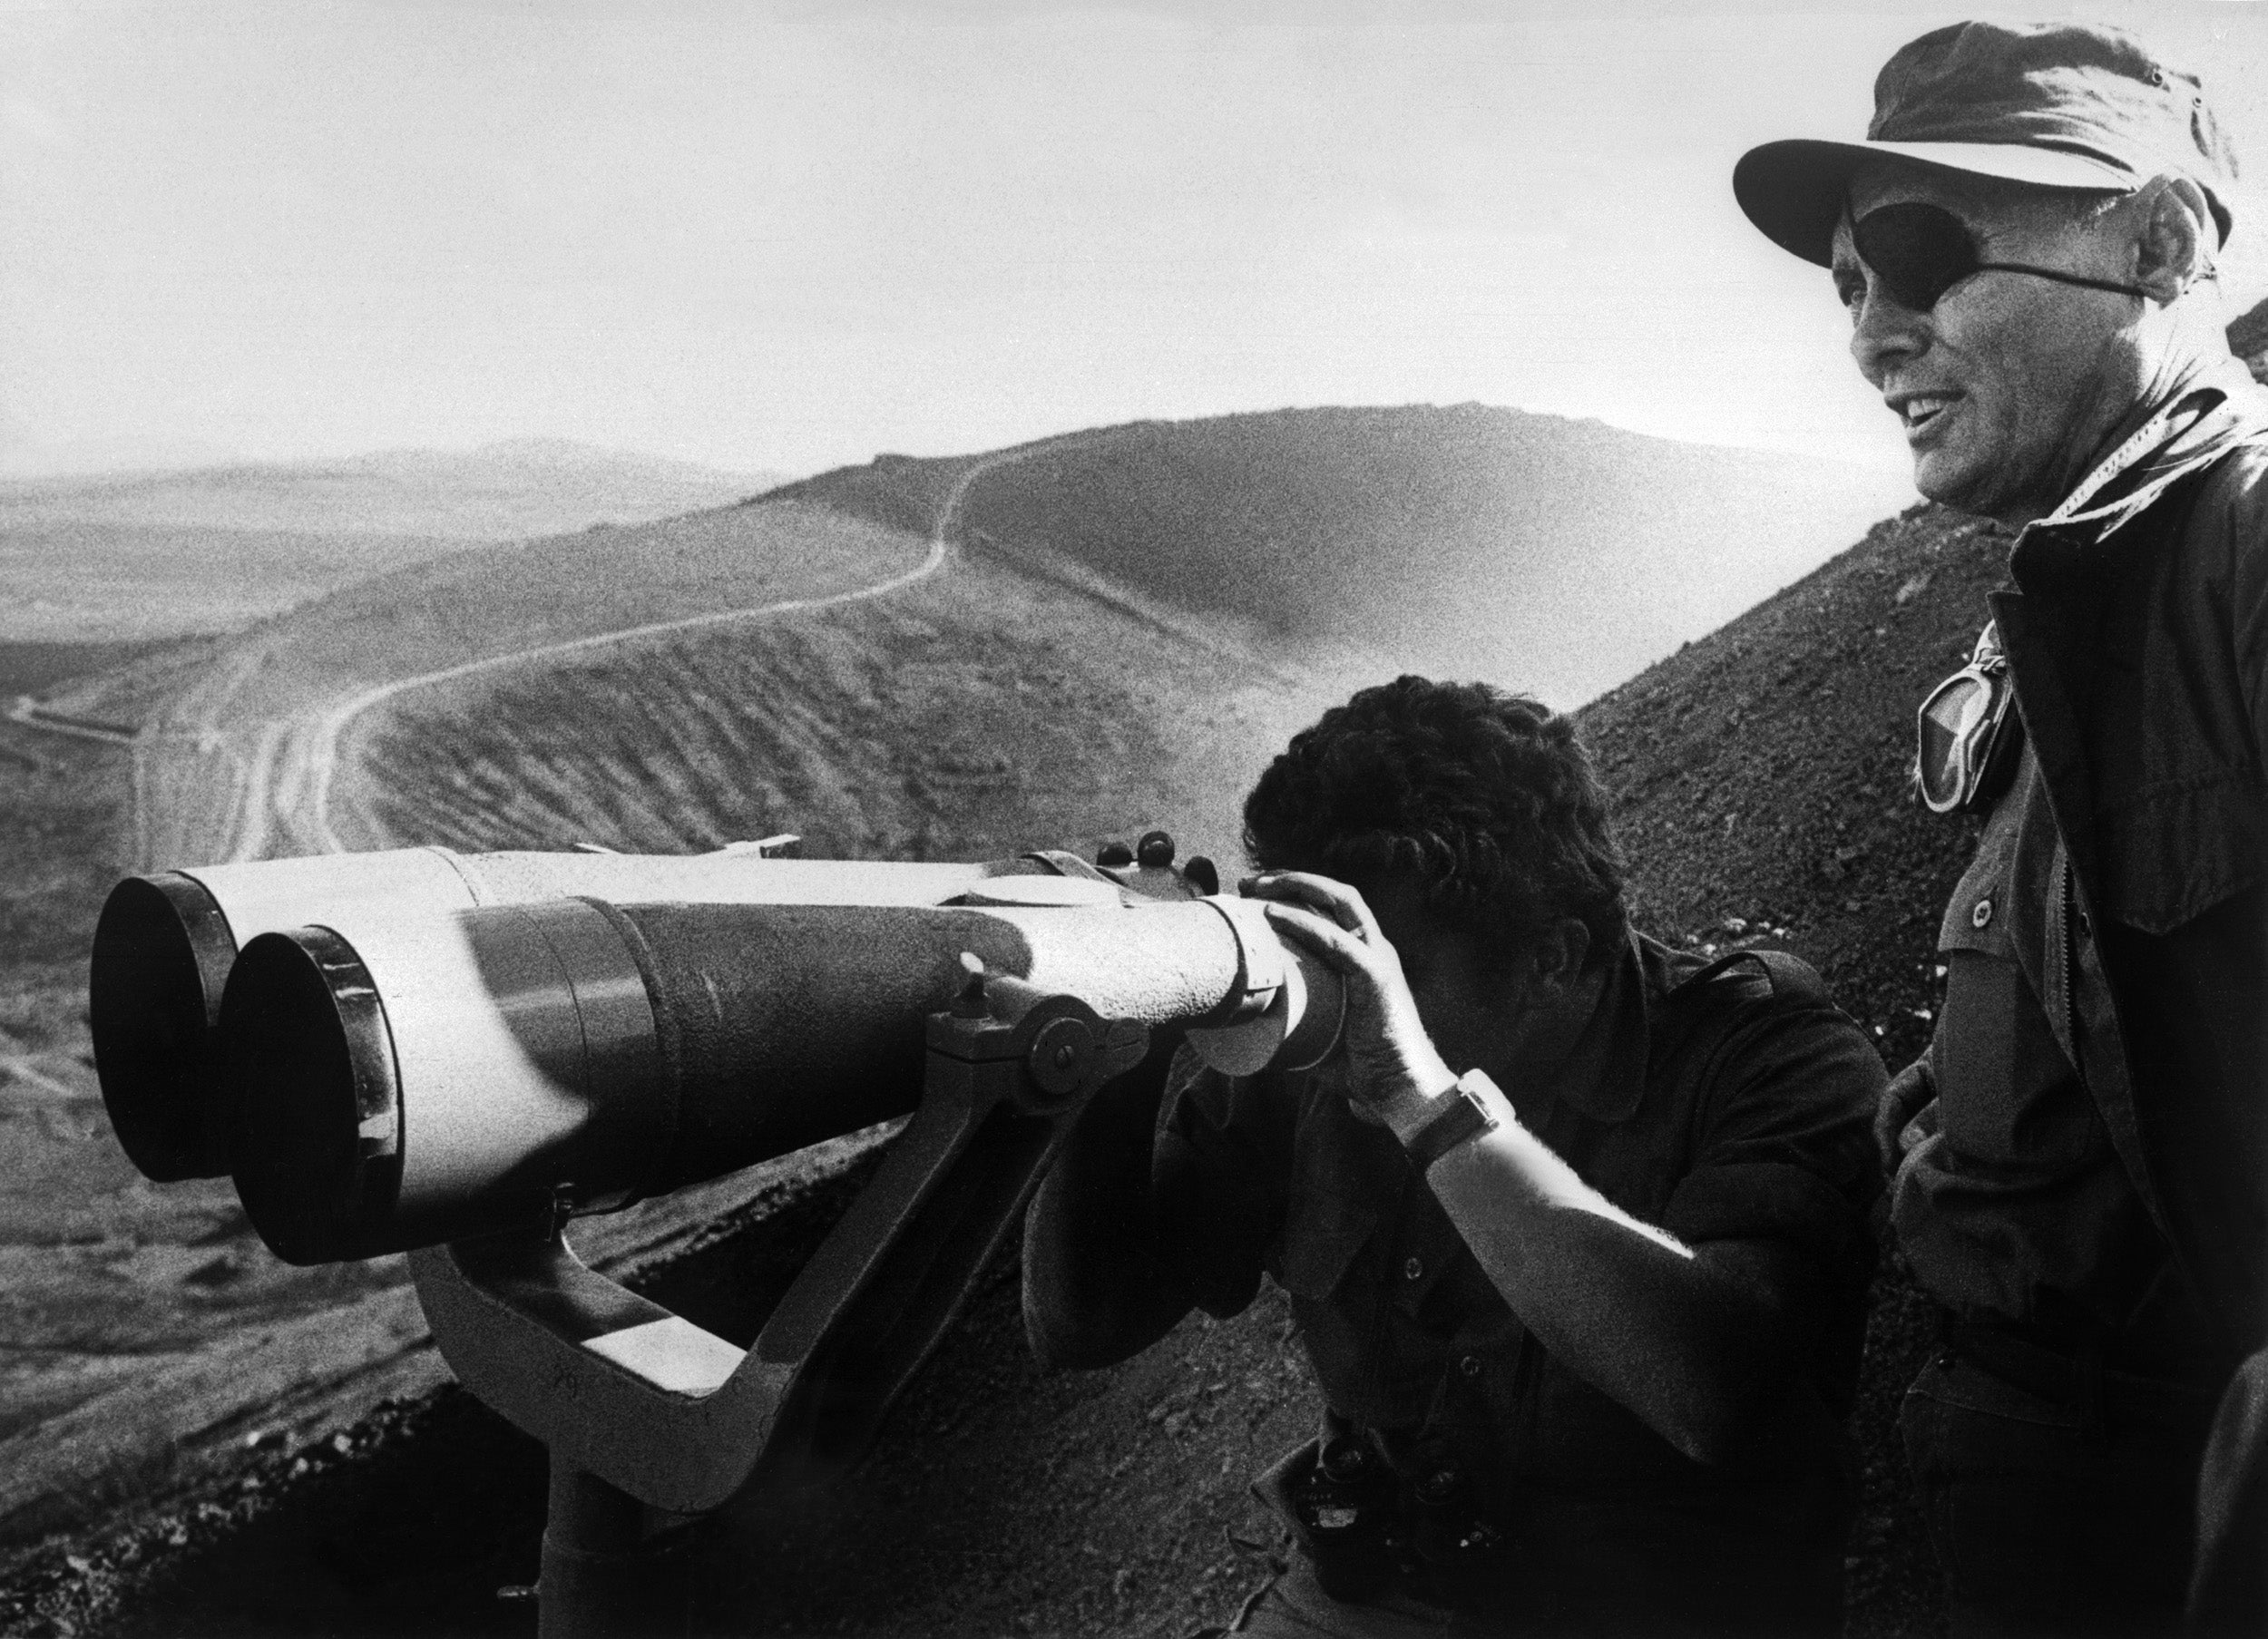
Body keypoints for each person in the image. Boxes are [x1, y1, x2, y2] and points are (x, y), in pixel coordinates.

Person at [1734, 20, 2268, 1636]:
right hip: (2037, 1461)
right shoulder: (2071, 585)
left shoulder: (2244, 548)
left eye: (1921, 252)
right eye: (1846, 283)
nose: (1876, 330)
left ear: (2157, 244)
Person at [1022, 677, 1883, 1635]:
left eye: (1394, 964)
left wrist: (1421, 1099)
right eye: (1334, 955)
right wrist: (1118, 1044)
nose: (1353, 997)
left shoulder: (1768, 1057)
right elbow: (1085, 1322)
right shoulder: (1315, 1054)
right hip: (1384, 1591)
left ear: (1551, 957)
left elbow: (1716, 1395)